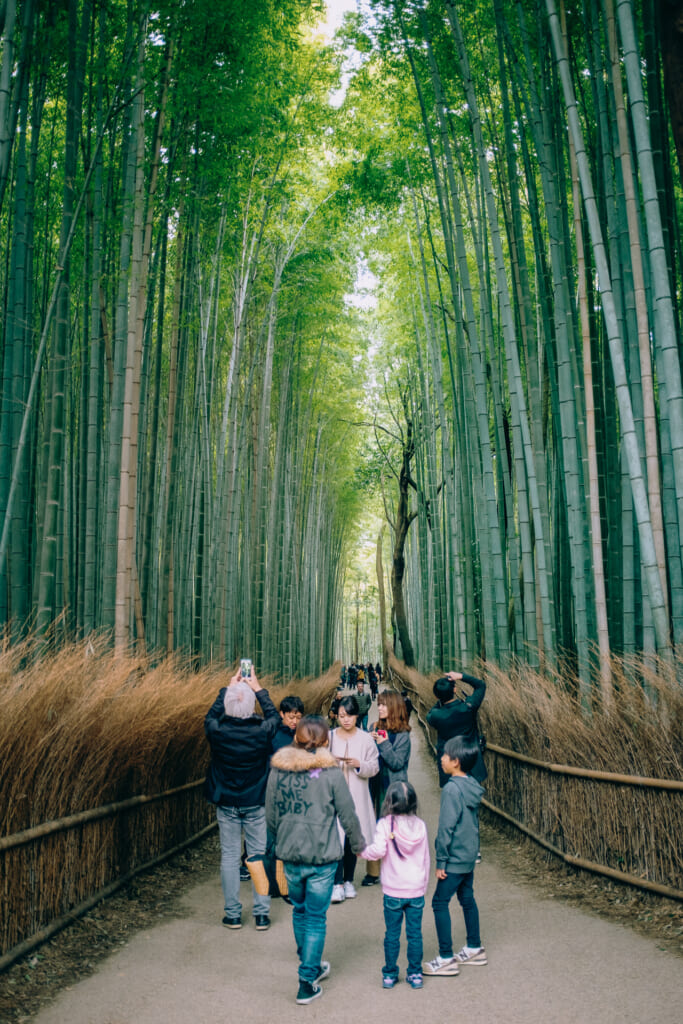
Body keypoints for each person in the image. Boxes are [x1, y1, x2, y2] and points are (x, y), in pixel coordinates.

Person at [266, 716, 365, 1005]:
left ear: (295, 738)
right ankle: (307, 978)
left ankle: (309, 961)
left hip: (291, 855)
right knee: (316, 918)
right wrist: (358, 844)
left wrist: (277, 842)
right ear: (325, 742)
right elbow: (347, 813)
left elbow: (270, 814)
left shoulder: (278, 771)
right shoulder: (331, 773)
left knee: (299, 910)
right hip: (323, 856)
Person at [204, 666, 279, 931]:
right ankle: (261, 914)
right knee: (258, 855)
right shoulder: (262, 731)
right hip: (255, 801)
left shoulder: (218, 731)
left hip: (227, 802)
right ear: (251, 706)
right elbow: (274, 716)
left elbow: (209, 717)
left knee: (230, 857)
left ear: (227, 706)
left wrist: (227, 687)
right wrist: (257, 688)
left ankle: (233, 914)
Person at [423, 737, 487, 977]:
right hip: (469, 855)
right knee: (467, 898)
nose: (441, 759)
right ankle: (474, 947)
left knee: (439, 902)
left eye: (445, 756)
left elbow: (446, 827)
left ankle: (446, 956)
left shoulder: (451, 788)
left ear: (456, 762)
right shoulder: (470, 783)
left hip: (454, 858)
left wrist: (441, 860)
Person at [361, 781, 430, 989]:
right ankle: (415, 973)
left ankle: (390, 974)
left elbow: (378, 851)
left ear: (389, 801)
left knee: (392, 933)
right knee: (415, 933)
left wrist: (361, 851)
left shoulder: (385, 824)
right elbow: (426, 858)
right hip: (415, 889)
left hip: (393, 889)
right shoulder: (420, 825)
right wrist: (423, 883)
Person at [328, 695, 379, 902]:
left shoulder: (366, 739)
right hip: (333, 799)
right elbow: (316, 766)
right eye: (342, 716)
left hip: (356, 797)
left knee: (351, 840)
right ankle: (336, 883)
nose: (346, 719)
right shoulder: (329, 737)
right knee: (335, 840)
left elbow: (374, 767)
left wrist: (359, 764)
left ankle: (348, 880)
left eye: (350, 715)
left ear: (357, 716)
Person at [363, 691, 412, 887]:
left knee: (393, 829)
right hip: (373, 783)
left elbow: (397, 763)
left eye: (384, 705)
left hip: (392, 787)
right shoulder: (373, 727)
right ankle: (373, 872)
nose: (380, 708)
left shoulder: (403, 735)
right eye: (379, 704)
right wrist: (368, 739)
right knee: (373, 826)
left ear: (394, 707)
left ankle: (396, 871)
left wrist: (383, 744)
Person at [426, 670, 487, 787]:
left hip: (450, 767)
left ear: (436, 696)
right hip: (472, 765)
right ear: (455, 690)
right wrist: (460, 676)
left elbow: (430, 714)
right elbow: (480, 685)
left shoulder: (436, 715)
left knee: (453, 800)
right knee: (471, 800)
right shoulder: (468, 707)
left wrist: (441, 699)